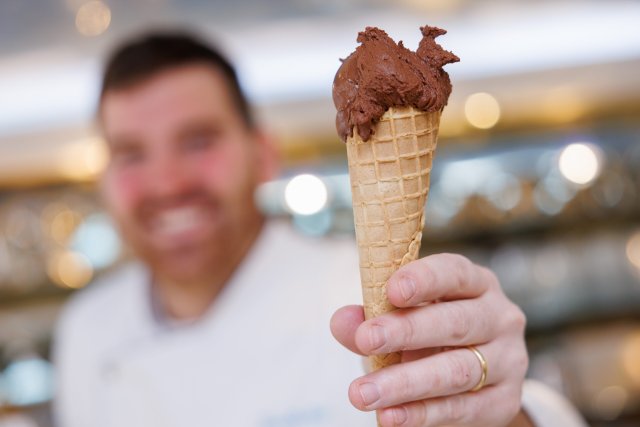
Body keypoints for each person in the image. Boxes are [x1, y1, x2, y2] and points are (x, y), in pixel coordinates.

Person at [53, 32, 586, 427]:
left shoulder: (378, 302)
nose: (166, 183)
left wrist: (504, 414)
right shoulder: (83, 329)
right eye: (131, 154)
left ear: (263, 155)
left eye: (198, 142)